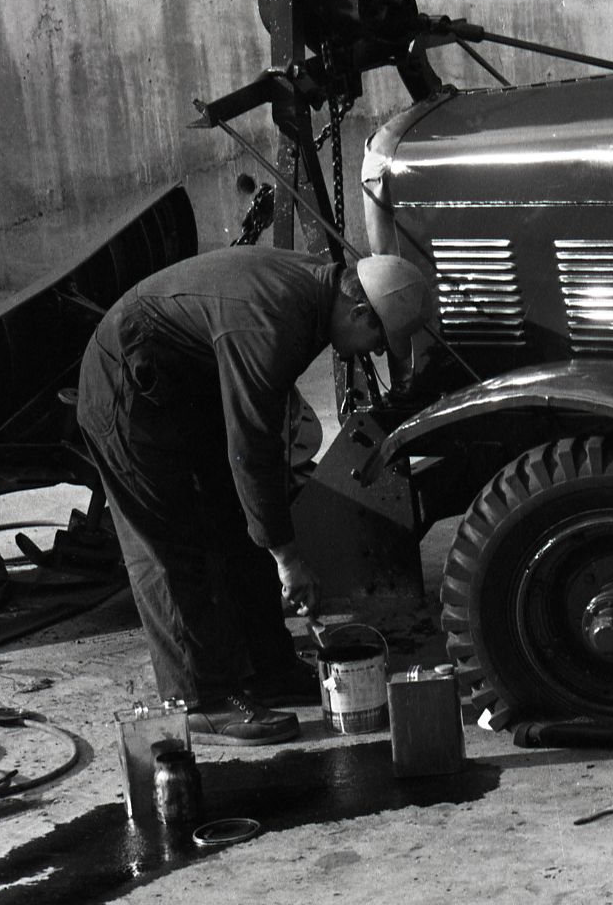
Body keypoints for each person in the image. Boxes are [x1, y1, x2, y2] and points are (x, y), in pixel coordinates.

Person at [77, 248, 436, 742]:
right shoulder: (276, 321)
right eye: (377, 338)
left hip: (182, 387)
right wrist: (289, 558)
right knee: (168, 550)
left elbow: (256, 449)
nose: (371, 352)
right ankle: (201, 700)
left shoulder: (317, 294)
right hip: (126, 388)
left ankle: (269, 669)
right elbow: (251, 445)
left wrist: (273, 540)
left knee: (241, 527)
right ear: (357, 312)